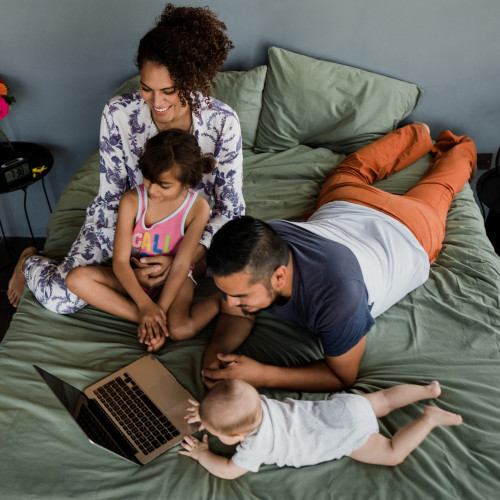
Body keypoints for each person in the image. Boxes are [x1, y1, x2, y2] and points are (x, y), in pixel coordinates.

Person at [201, 123, 477, 392]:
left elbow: (342, 377)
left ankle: (458, 144)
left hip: (408, 230)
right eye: (228, 293)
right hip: (348, 204)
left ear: (279, 275)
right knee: (350, 171)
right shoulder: (263, 241)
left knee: (442, 186)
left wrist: (261, 374)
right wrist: (217, 353)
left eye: (241, 297)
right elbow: (235, 315)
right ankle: (415, 134)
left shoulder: (339, 299)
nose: (230, 302)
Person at [8, 3, 244, 314]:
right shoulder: (119, 113)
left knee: (244, 272)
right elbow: (111, 195)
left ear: (191, 79)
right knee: (59, 299)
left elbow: (231, 208)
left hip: (189, 232)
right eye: (147, 88)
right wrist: (129, 256)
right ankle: (29, 260)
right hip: (127, 220)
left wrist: (182, 259)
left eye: (169, 91)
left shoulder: (222, 122)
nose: (156, 102)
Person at [66, 129, 220, 351]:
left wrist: (161, 307)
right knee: (76, 280)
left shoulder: (198, 209)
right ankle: (149, 321)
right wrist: (145, 305)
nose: (152, 189)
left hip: (174, 278)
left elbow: (182, 264)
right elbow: (119, 262)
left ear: (187, 182)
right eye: (149, 179)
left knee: (180, 330)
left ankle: (217, 301)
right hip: (134, 277)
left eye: (164, 185)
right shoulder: (131, 201)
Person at [178, 379, 462, 478]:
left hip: (346, 437)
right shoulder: (259, 404)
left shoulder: (255, 447)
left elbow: (228, 471)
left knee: (391, 452)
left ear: (236, 437)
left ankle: (429, 419)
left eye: (216, 434)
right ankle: (427, 390)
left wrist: (203, 454)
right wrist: (209, 415)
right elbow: (234, 407)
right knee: (384, 400)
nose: (214, 436)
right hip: (344, 407)